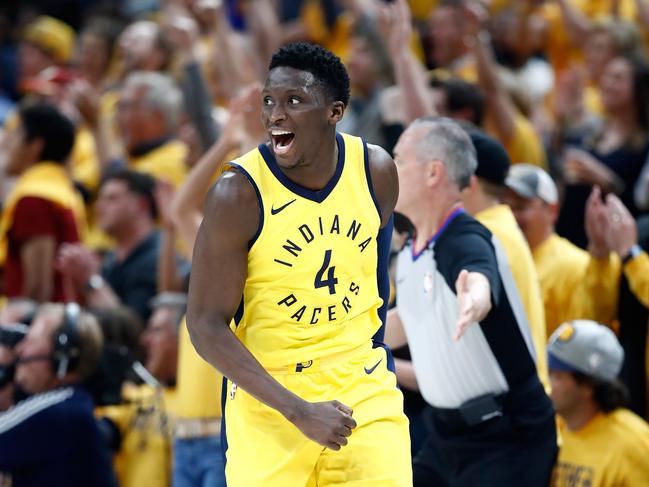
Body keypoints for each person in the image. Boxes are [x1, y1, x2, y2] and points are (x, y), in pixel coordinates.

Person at [187, 42, 411, 486]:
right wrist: (299, 409)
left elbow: (375, 284)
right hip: (269, 397)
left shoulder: (374, 171)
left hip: (361, 384)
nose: (275, 114)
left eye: (294, 101)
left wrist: (368, 362)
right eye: (268, 101)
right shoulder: (238, 194)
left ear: (334, 111)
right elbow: (204, 325)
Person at [388, 117, 556, 486]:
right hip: (447, 434)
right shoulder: (416, 245)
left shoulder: (466, 236)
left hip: (507, 437)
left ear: (434, 173)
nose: (389, 168)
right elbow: (408, 319)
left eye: (399, 159)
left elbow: (476, 272)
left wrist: (475, 298)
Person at [0, 302, 116, 486]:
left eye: (30, 340)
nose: (19, 349)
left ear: (61, 356)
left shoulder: (59, 411)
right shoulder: (73, 404)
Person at [504, 165, 616, 336]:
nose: (511, 216)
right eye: (505, 207)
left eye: (520, 207)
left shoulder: (573, 265)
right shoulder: (500, 258)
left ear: (552, 210)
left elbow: (585, 331)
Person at [0, 101, 85, 303]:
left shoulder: (35, 199)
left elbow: (38, 290)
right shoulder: (59, 189)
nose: (6, 143)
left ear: (35, 146)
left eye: (16, 134)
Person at [548, 320, 649, 486]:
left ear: (589, 385)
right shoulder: (557, 431)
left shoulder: (635, 446)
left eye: (556, 376)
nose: (547, 382)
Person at [57, 170, 160, 321]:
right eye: (100, 199)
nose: (99, 206)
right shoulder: (112, 258)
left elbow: (132, 330)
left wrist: (90, 280)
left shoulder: (157, 259)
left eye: (111, 199)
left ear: (141, 205)